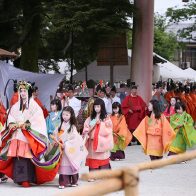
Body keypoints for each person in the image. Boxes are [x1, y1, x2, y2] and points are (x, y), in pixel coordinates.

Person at [0, 81, 57, 187]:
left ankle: (27, 178)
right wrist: (12, 123)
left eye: (24, 91)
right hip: (17, 134)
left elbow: (38, 119)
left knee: (27, 157)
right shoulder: (15, 106)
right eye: (20, 91)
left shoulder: (35, 106)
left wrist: (27, 125)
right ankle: (18, 178)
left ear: (29, 92)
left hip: (28, 135)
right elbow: (10, 115)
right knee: (18, 156)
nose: (22, 93)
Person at [51, 106, 87, 189]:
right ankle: (63, 182)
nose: (64, 116)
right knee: (63, 165)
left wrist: (66, 144)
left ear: (71, 115)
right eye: (63, 114)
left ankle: (74, 181)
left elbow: (75, 139)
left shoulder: (73, 127)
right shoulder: (60, 125)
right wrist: (55, 142)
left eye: (67, 115)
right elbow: (55, 134)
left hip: (70, 149)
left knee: (71, 164)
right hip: (62, 150)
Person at [83, 98, 113, 174]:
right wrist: (88, 129)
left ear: (102, 107)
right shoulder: (91, 118)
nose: (96, 108)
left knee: (103, 157)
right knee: (93, 157)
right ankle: (93, 175)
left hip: (102, 142)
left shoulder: (106, 118)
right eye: (95, 107)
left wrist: (101, 124)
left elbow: (109, 129)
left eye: (98, 107)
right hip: (93, 143)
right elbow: (86, 128)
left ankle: (103, 174)